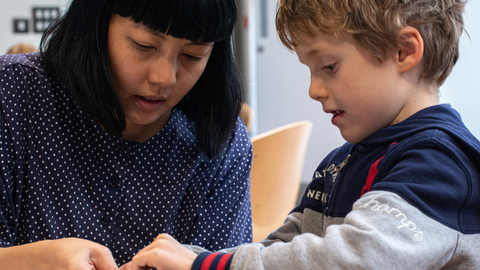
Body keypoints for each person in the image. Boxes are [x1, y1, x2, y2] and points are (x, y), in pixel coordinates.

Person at [118, 0, 480, 269]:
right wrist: (191, 259)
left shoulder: (440, 164)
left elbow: (358, 257)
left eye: (329, 67)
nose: (314, 90)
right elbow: (284, 247)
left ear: (404, 51)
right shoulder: (340, 163)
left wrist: (208, 267)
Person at [0, 0, 253, 269]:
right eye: (144, 46)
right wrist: (31, 261)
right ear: (97, 22)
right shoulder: (14, 95)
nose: (164, 78)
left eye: (192, 56)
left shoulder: (221, 143)